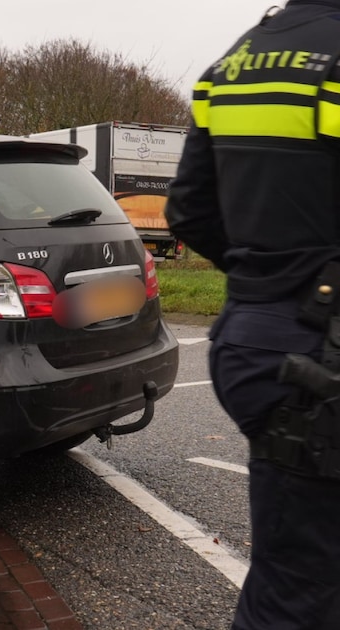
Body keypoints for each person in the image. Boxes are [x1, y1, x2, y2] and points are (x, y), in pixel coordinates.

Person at [165, 2, 340, 628]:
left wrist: (264, 279)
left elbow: (188, 211)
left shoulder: (232, 63)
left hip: (257, 340)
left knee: (297, 573)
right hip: (318, 360)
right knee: (301, 590)